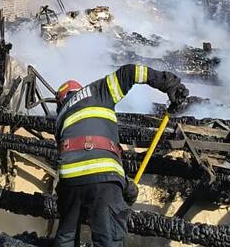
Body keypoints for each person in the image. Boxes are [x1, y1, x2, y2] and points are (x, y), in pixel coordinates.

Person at [54, 65, 189, 247]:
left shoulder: (61, 116)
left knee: (66, 239)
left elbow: (77, 161)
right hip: (104, 179)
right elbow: (131, 72)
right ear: (79, 89)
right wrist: (170, 83)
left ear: (61, 100)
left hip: (69, 181)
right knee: (108, 240)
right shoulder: (96, 90)